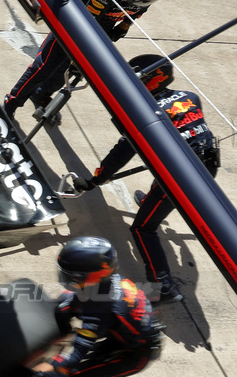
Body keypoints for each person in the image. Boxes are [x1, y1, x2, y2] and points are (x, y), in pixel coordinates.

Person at [69, 55, 220, 303]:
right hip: (206, 164)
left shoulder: (147, 114)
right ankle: (152, 199)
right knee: (161, 174)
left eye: (140, 79)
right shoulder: (189, 96)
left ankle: (163, 287)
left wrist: (94, 181)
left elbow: (122, 153)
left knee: (142, 228)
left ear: (155, 79)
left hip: (180, 178)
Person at [3, 0, 177, 120]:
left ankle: (42, 94)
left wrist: (123, 26)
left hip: (104, 24)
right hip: (77, 19)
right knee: (45, 67)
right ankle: (11, 103)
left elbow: (139, 9)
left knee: (67, 70)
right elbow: (87, 24)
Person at [44, 236, 162, 377]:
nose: (66, 279)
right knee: (62, 304)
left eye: (73, 277)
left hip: (134, 354)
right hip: (122, 330)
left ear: (93, 276)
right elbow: (68, 303)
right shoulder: (104, 283)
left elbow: (80, 349)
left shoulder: (101, 307)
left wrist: (54, 365)